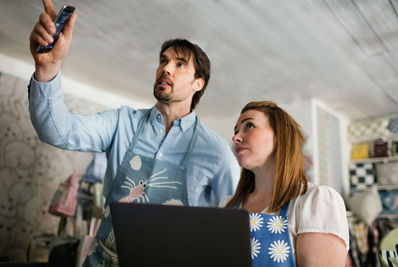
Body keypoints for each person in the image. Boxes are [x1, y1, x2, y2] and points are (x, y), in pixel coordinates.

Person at [28, 0, 240, 265]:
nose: (166, 68)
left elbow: (233, 230)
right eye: (163, 61)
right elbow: (57, 131)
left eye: (180, 64)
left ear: (199, 83)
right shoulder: (121, 122)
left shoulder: (217, 153)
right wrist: (48, 67)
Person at [222, 101, 349, 266]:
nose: (236, 137)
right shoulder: (227, 205)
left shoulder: (315, 201)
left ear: (279, 137)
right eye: (236, 130)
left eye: (249, 126)